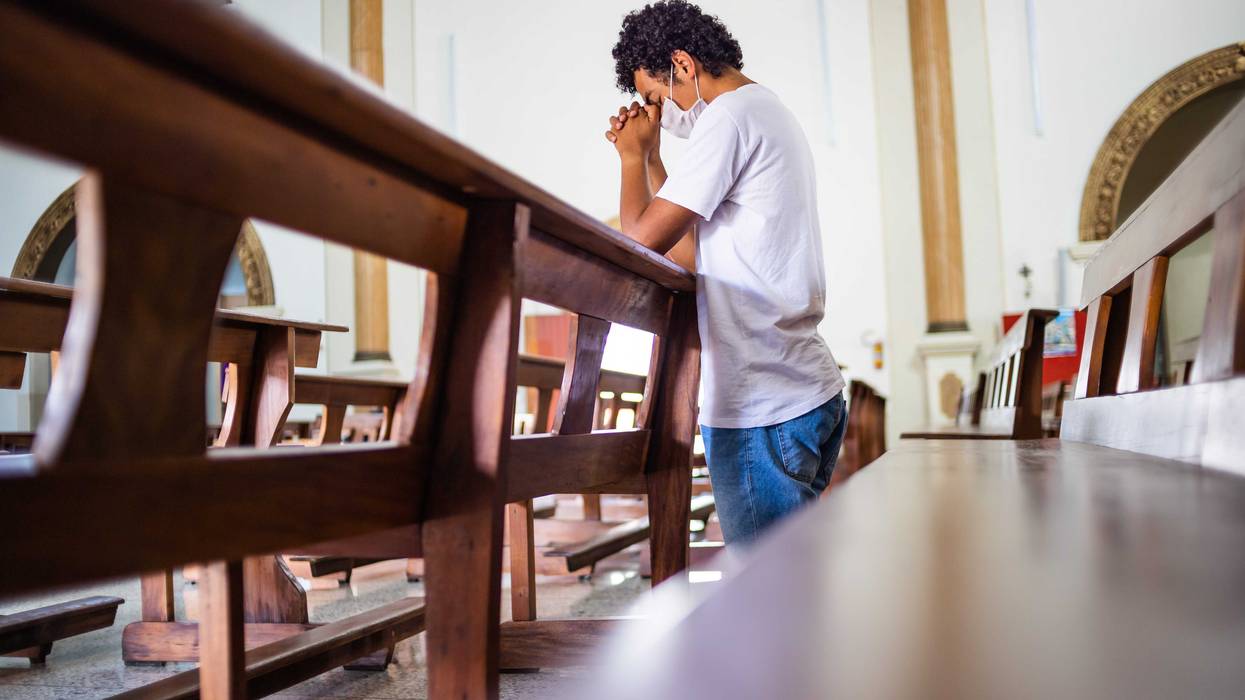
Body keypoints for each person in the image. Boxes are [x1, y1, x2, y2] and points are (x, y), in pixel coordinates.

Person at [605, 0, 847, 545]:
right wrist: (652, 159)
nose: (657, 114)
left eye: (655, 97)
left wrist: (631, 158)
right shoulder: (762, 109)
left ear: (682, 65)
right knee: (793, 577)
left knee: (768, 589)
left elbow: (639, 243)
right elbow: (692, 254)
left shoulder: (729, 117)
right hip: (799, 390)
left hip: (763, 405)